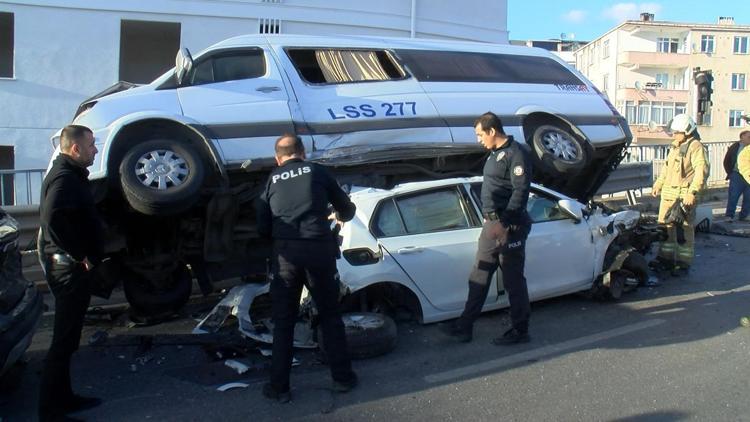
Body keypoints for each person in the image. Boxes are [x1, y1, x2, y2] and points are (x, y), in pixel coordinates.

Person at [255, 134, 358, 402]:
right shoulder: (318, 172)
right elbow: (346, 209)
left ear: (278, 158)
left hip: (286, 256)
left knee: (284, 322)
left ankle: (279, 389)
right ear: (303, 153)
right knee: (330, 316)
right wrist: (340, 216)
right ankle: (343, 379)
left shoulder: (271, 181)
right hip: (318, 252)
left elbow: (262, 227)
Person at [440, 112, 533, 345]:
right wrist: (488, 219)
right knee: (479, 276)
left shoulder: (516, 153)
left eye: (481, 134)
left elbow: (520, 191)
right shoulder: (494, 154)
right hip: (492, 224)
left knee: (513, 280)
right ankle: (465, 326)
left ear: (492, 131)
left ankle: (520, 330)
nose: (479, 139)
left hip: (509, 225)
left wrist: (503, 224)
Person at [38, 125, 105, 421]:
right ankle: (51, 410)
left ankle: (64, 399)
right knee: (63, 340)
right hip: (68, 268)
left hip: (69, 266)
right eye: (91, 145)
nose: (95, 150)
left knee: (69, 339)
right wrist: (80, 256)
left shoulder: (69, 175)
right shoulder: (64, 178)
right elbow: (52, 219)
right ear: (75, 149)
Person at [650, 114, 709, 274]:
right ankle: (666, 258)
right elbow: (666, 168)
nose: (674, 134)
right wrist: (658, 183)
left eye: (677, 132)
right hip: (668, 194)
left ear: (687, 131)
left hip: (684, 196)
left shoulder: (696, 147)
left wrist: (692, 193)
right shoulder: (675, 146)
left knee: (683, 230)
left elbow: (700, 172)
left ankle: (683, 263)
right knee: (665, 227)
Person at [723, 130, 750, 220]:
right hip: (736, 174)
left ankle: (744, 215)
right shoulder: (735, 147)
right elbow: (726, 161)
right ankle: (729, 215)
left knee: (748, 196)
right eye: (748, 137)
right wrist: (730, 173)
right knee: (733, 196)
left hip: (748, 175)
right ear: (742, 137)